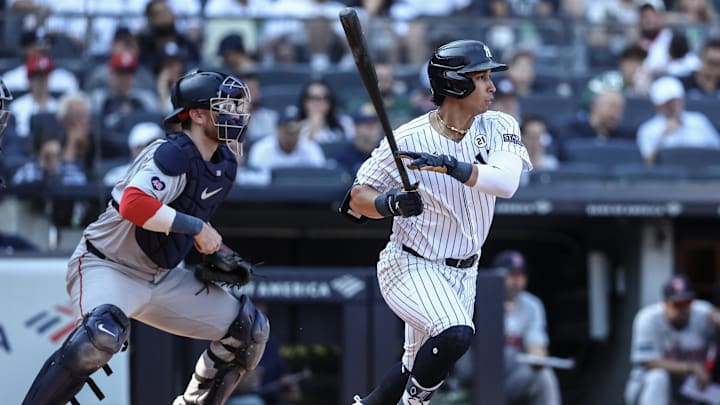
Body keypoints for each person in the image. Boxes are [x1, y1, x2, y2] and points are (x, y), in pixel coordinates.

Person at [21, 70, 270, 405]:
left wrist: (212, 248)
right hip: (107, 265)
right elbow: (134, 205)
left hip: (162, 277)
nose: (236, 114)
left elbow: (184, 220)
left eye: (236, 106)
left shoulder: (225, 163)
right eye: (225, 105)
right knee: (99, 336)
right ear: (196, 114)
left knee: (250, 330)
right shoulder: (171, 152)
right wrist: (197, 229)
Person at [344, 39, 532, 405]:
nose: (492, 86)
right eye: (480, 78)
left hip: (465, 271)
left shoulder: (499, 125)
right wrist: (391, 203)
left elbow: (506, 183)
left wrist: (450, 167)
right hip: (411, 263)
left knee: (413, 365)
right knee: (456, 334)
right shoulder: (407, 139)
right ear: (455, 84)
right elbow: (355, 201)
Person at [625, 274, 720, 405]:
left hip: (690, 387)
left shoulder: (703, 312)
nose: (684, 308)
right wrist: (691, 367)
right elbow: (649, 363)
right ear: (665, 303)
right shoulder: (648, 318)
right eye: (678, 303)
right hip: (647, 390)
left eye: (687, 302)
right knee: (658, 377)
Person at [494, 250, 561, 405]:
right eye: (512, 275)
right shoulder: (479, 300)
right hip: (479, 377)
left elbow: (536, 344)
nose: (517, 281)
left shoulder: (532, 305)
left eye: (521, 275)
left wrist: (538, 355)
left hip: (513, 379)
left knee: (544, 376)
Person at [637, 75, 720, 165]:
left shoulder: (699, 121)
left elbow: (716, 151)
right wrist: (662, 137)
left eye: (676, 100)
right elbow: (647, 164)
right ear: (657, 105)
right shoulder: (647, 130)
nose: (673, 105)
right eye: (668, 102)